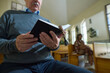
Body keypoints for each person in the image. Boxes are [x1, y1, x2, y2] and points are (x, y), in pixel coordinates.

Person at [0, 0, 92, 73]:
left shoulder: (47, 21)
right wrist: (14, 44)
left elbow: (53, 46)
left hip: (48, 64)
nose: (36, 0)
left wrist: (55, 46)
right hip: (16, 65)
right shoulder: (9, 15)